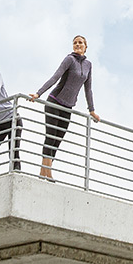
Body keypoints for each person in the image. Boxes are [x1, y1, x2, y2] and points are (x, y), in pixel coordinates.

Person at [29, 35, 99, 180]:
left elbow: (88, 89)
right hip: (54, 102)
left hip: (67, 107)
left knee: (58, 140)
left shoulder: (88, 65)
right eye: (75, 43)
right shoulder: (69, 59)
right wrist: (38, 93)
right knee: (51, 136)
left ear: (86, 46)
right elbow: (55, 77)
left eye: (80, 43)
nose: (77, 45)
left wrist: (91, 110)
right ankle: (46, 172)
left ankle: (45, 171)